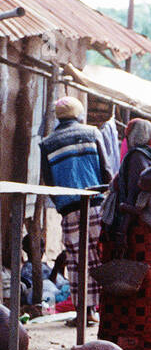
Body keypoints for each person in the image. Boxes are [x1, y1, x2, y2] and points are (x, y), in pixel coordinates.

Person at [98, 118, 151, 350]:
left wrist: (120, 233)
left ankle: (130, 343)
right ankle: (150, 342)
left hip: (137, 234)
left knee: (132, 285)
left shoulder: (134, 158)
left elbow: (132, 199)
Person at [39, 96, 112, 322]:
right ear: (79, 114)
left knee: (76, 261)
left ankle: (84, 313)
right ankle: (104, 311)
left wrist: (62, 204)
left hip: (69, 208)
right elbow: (107, 172)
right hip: (94, 204)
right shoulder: (92, 133)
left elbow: (49, 181)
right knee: (98, 258)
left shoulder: (48, 143)